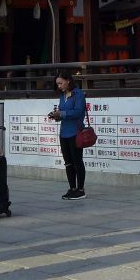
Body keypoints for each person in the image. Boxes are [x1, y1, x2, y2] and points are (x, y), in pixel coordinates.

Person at [48, 70, 87, 199]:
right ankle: (72, 188)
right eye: (57, 84)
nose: (59, 86)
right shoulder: (62, 95)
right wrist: (55, 116)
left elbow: (77, 112)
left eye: (61, 83)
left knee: (77, 161)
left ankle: (81, 190)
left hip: (75, 132)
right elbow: (62, 113)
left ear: (68, 80)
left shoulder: (78, 94)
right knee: (68, 162)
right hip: (64, 132)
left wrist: (62, 114)